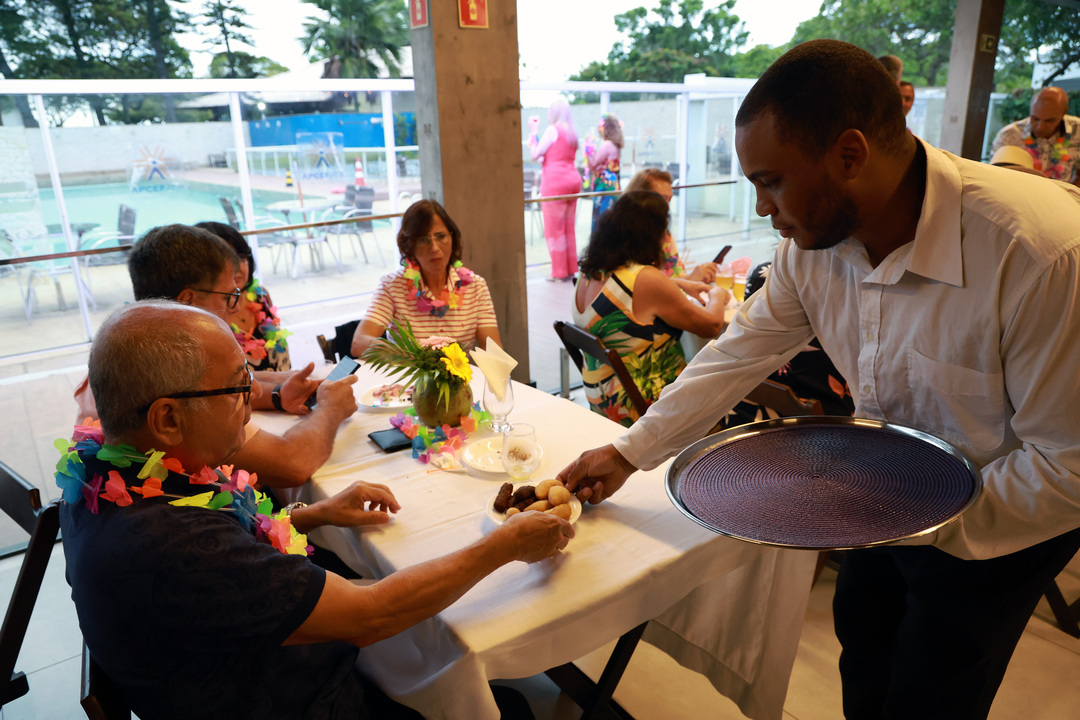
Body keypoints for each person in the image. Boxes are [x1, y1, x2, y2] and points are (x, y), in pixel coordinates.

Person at [558, 40, 1080, 719]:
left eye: (772, 182)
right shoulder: (810, 252)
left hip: (1000, 519)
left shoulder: (1040, 254)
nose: (763, 209)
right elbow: (731, 357)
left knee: (934, 689)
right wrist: (628, 452)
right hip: (877, 490)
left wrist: (914, 519)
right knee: (862, 648)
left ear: (850, 156)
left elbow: (1068, 466)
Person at [60, 301, 573, 720]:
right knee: (501, 697)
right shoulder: (176, 547)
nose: (252, 400)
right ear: (168, 419)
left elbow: (227, 554)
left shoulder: (104, 478)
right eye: (238, 387)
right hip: (297, 700)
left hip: (235, 667)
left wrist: (314, 514)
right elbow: (372, 615)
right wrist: (503, 545)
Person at [75, 224, 356, 488]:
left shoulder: (128, 349)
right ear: (187, 301)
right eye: (228, 297)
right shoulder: (162, 376)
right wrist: (330, 408)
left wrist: (277, 394)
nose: (235, 309)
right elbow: (291, 463)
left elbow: (219, 382)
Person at [573, 191, 729, 427]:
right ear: (652, 234)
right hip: (646, 403)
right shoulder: (645, 278)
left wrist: (677, 283)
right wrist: (718, 294)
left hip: (602, 397)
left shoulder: (589, 273)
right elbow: (711, 325)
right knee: (730, 392)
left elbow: (620, 295)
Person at [350, 200, 500, 357]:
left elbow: (493, 351)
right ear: (409, 245)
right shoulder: (392, 286)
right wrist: (416, 357)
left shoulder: (475, 286)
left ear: (452, 238)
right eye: (423, 240)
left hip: (457, 373)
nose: (434, 248)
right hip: (407, 372)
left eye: (440, 236)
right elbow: (359, 343)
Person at [195, 221, 292, 372]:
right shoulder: (205, 316)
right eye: (225, 260)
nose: (236, 268)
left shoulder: (261, 295)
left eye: (240, 257)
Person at [624, 168, 717, 297]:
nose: (667, 207)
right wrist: (691, 280)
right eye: (662, 199)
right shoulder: (622, 240)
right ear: (639, 199)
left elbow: (675, 277)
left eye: (669, 200)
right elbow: (638, 290)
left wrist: (699, 277)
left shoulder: (665, 236)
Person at [529, 96, 582, 281]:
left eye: (550, 111)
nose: (548, 114)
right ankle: (571, 268)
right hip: (572, 179)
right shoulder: (572, 131)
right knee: (568, 227)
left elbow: (535, 154)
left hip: (555, 182)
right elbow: (556, 155)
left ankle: (559, 272)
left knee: (554, 229)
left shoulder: (552, 130)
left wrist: (533, 133)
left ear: (555, 112)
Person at [990, 86, 1080, 184]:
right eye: (1035, 119)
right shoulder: (1008, 135)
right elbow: (993, 175)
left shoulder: (1077, 131)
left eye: (1049, 121)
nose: (1040, 127)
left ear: (1064, 112)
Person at [588, 113, 623, 230]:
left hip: (604, 186)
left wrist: (588, 151)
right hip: (613, 184)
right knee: (610, 218)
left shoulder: (607, 145)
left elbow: (593, 163)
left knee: (601, 218)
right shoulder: (616, 146)